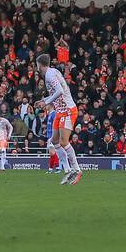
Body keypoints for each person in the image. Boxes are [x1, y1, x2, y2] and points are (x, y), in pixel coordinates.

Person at [37, 53, 81, 186]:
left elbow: (60, 91)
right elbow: (56, 93)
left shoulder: (49, 75)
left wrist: (46, 102)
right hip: (60, 111)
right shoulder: (51, 72)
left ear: (39, 65)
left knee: (63, 141)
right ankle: (67, 170)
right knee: (54, 141)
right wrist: (44, 100)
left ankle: (77, 170)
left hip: (68, 110)